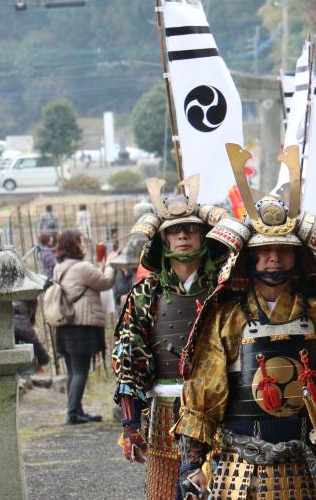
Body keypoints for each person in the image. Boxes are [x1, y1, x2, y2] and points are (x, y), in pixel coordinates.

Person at [172, 147, 316, 500]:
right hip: (238, 467)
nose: (273, 257)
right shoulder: (226, 316)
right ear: (249, 257)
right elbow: (202, 396)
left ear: (298, 254)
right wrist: (191, 464)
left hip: (307, 460)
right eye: (264, 250)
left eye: (283, 249)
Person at [112, 176, 232, 500]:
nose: (182, 235)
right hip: (165, 410)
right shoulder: (147, 292)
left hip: (219, 411)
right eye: (174, 230)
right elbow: (127, 354)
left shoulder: (225, 290)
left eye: (191, 229)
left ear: (204, 238)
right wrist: (130, 423)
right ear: (163, 240)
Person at [53, 228, 115, 425]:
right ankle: (72, 413)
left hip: (65, 324)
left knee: (72, 370)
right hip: (82, 324)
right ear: (74, 244)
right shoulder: (82, 268)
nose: (84, 245)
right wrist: (109, 265)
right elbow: (105, 282)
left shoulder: (59, 267)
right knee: (80, 370)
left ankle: (77, 411)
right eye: (80, 241)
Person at [13, 300, 50, 376]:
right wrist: (44, 359)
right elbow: (32, 341)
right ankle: (26, 383)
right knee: (29, 361)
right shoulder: (18, 316)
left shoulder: (13, 311)